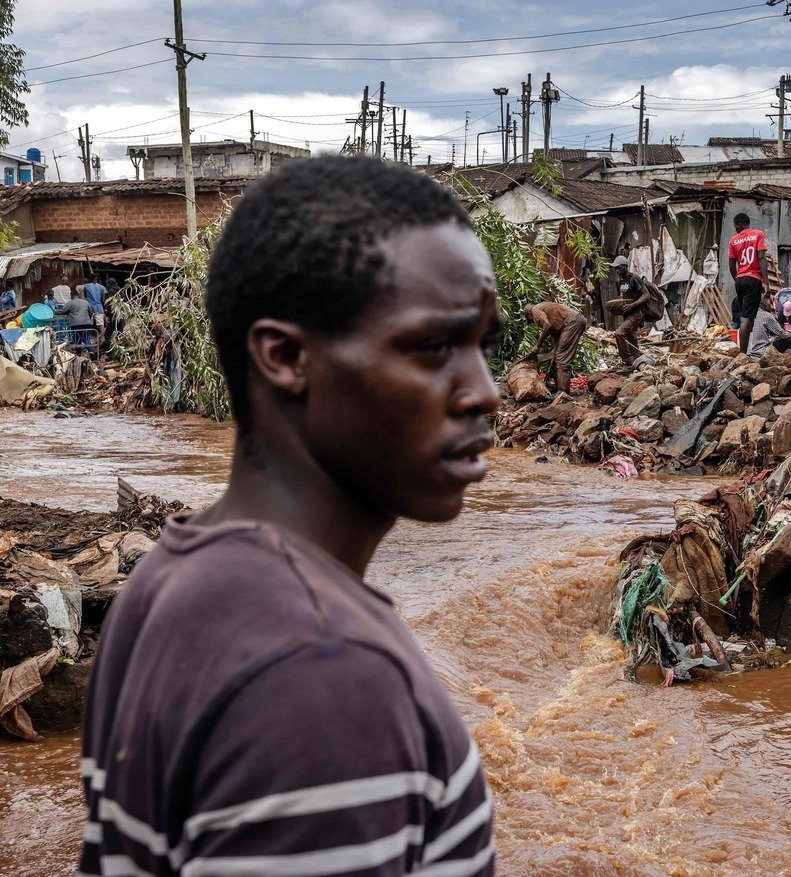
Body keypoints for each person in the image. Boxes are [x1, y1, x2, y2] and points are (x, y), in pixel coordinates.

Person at [78, 158, 496, 876]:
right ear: (285, 356)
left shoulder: (165, 581)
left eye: (481, 344)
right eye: (433, 346)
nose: (484, 391)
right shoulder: (323, 670)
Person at [521, 300, 587, 392]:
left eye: (532, 320)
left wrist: (537, 345)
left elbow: (547, 325)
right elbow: (556, 349)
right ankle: (559, 389)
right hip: (576, 320)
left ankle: (562, 393)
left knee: (562, 359)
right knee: (559, 357)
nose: (536, 322)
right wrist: (550, 369)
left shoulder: (535, 309)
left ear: (529, 314)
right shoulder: (556, 325)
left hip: (573, 321)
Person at [727, 212, 767, 353]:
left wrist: (738, 279)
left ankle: (745, 350)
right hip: (753, 278)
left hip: (740, 278)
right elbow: (761, 258)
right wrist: (766, 282)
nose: (735, 229)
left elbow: (732, 266)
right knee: (747, 320)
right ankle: (743, 354)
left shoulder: (733, 240)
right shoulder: (758, 234)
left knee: (747, 317)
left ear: (740, 224)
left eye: (735, 226)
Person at [606, 254, 655, 367]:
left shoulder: (634, 278)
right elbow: (622, 298)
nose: (617, 270)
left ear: (625, 266)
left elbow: (646, 295)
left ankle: (628, 362)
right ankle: (639, 362)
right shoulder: (620, 281)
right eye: (615, 268)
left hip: (637, 313)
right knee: (631, 337)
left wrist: (632, 305)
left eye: (619, 267)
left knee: (619, 333)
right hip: (627, 314)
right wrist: (617, 307)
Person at [83, 275, 108, 346]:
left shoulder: (86, 286)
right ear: (97, 279)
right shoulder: (102, 287)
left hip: (89, 307)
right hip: (99, 307)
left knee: (89, 323)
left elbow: (85, 296)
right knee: (101, 324)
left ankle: (88, 339)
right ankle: (102, 338)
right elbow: (103, 299)